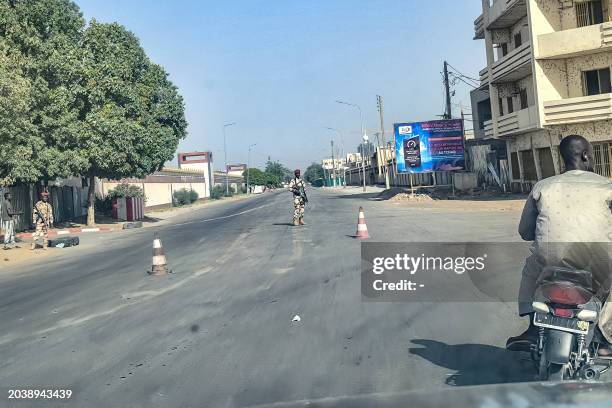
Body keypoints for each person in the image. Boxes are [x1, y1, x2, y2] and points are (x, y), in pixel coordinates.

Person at [506, 135, 612, 355]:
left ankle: (533, 329)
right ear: (585, 155)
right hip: (598, 264)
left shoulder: (543, 187)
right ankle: (604, 338)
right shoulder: (607, 187)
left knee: (531, 266)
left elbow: (525, 232)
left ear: (561, 158)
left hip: (550, 262)